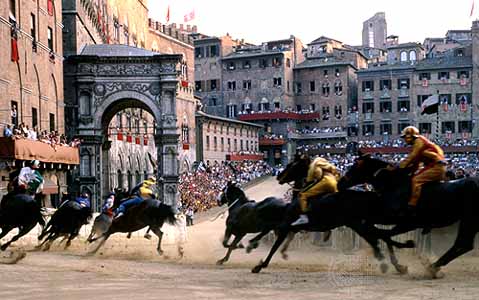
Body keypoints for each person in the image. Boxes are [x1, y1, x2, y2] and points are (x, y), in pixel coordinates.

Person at [399, 126, 446, 212]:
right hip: (435, 166)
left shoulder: (419, 141)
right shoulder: (419, 143)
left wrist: (400, 166)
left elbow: (412, 156)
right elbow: (417, 164)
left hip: (436, 167)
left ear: (412, 136)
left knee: (416, 180)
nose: (405, 140)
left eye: (405, 137)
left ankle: (412, 205)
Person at [292, 157, 340, 226]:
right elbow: (336, 171)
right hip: (334, 182)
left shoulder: (312, 166)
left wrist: (307, 183)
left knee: (303, 194)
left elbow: (315, 178)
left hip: (326, 182)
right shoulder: (323, 162)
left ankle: (304, 216)